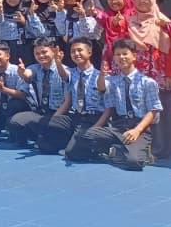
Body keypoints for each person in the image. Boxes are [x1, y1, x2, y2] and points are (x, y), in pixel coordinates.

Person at [66, 39, 162, 171]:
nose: (121, 57)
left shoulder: (147, 82)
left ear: (134, 56)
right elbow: (102, 90)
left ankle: (136, 153)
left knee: (134, 162)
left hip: (138, 127)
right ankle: (116, 149)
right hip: (118, 127)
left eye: (125, 54)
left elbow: (154, 110)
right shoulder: (112, 81)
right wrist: (101, 74)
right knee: (83, 136)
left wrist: (137, 130)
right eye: (117, 54)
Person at [127, 0, 171, 160]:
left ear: (153, 0)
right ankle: (144, 149)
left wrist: (170, 74)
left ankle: (166, 149)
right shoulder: (129, 21)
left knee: (162, 112)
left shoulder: (163, 22)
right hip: (138, 74)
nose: (142, 2)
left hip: (160, 74)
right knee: (140, 110)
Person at [50, 37, 108, 157]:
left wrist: (96, 126)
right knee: (53, 124)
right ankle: (74, 141)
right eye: (73, 51)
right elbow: (64, 75)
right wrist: (58, 62)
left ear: (89, 52)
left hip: (93, 118)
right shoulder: (72, 73)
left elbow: (105, 96)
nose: (76, 54)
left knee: (72, 153)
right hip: (76, 116)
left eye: (80, 50)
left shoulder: (99, 75)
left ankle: (101, 148)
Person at [6, 37, 67, 149]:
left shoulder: (64, 70)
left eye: (44, 52)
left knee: (45, 146)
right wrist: (22, 72)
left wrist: (55, 118)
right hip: (42, 113)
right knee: (14, 122)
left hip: (60, 115)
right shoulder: (35, 68)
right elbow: (27, 74)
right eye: (37, 53)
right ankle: (40, 136)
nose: (41, 56)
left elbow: (68, 100)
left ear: (54, 51)